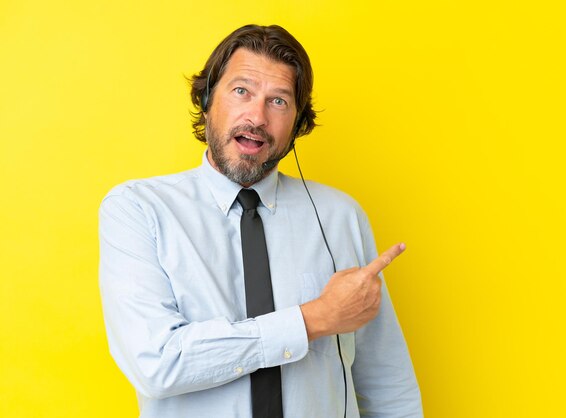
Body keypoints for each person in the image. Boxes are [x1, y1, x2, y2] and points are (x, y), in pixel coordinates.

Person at [99, 24, 423, 417]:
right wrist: (313, 319)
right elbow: (158, 363)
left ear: (299, 124)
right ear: (206, 99)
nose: (256, 116)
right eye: (242, 91)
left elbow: (386, 380)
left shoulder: (341, 217)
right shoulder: (139, 210)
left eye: (279, 101)